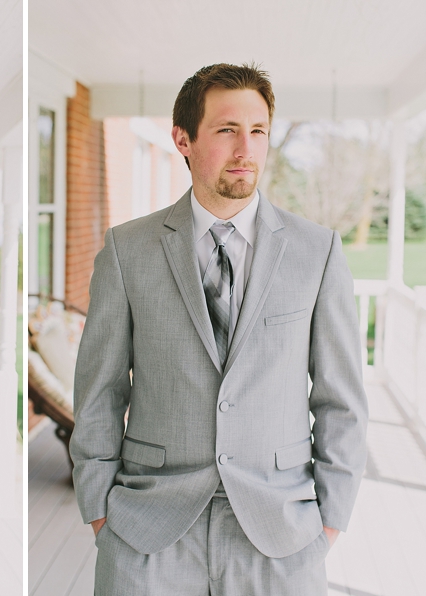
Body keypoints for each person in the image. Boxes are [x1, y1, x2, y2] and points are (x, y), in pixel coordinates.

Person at [69, 63, 368, 595]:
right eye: (228, 130)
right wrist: (100, 513)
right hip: (147, 529)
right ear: (183, 139)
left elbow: (341, 400)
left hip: (281, 534)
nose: (245, 150)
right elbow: (100, 392)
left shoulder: (316, 252)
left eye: (258, 132)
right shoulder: (126, 251)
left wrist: (328, 524)